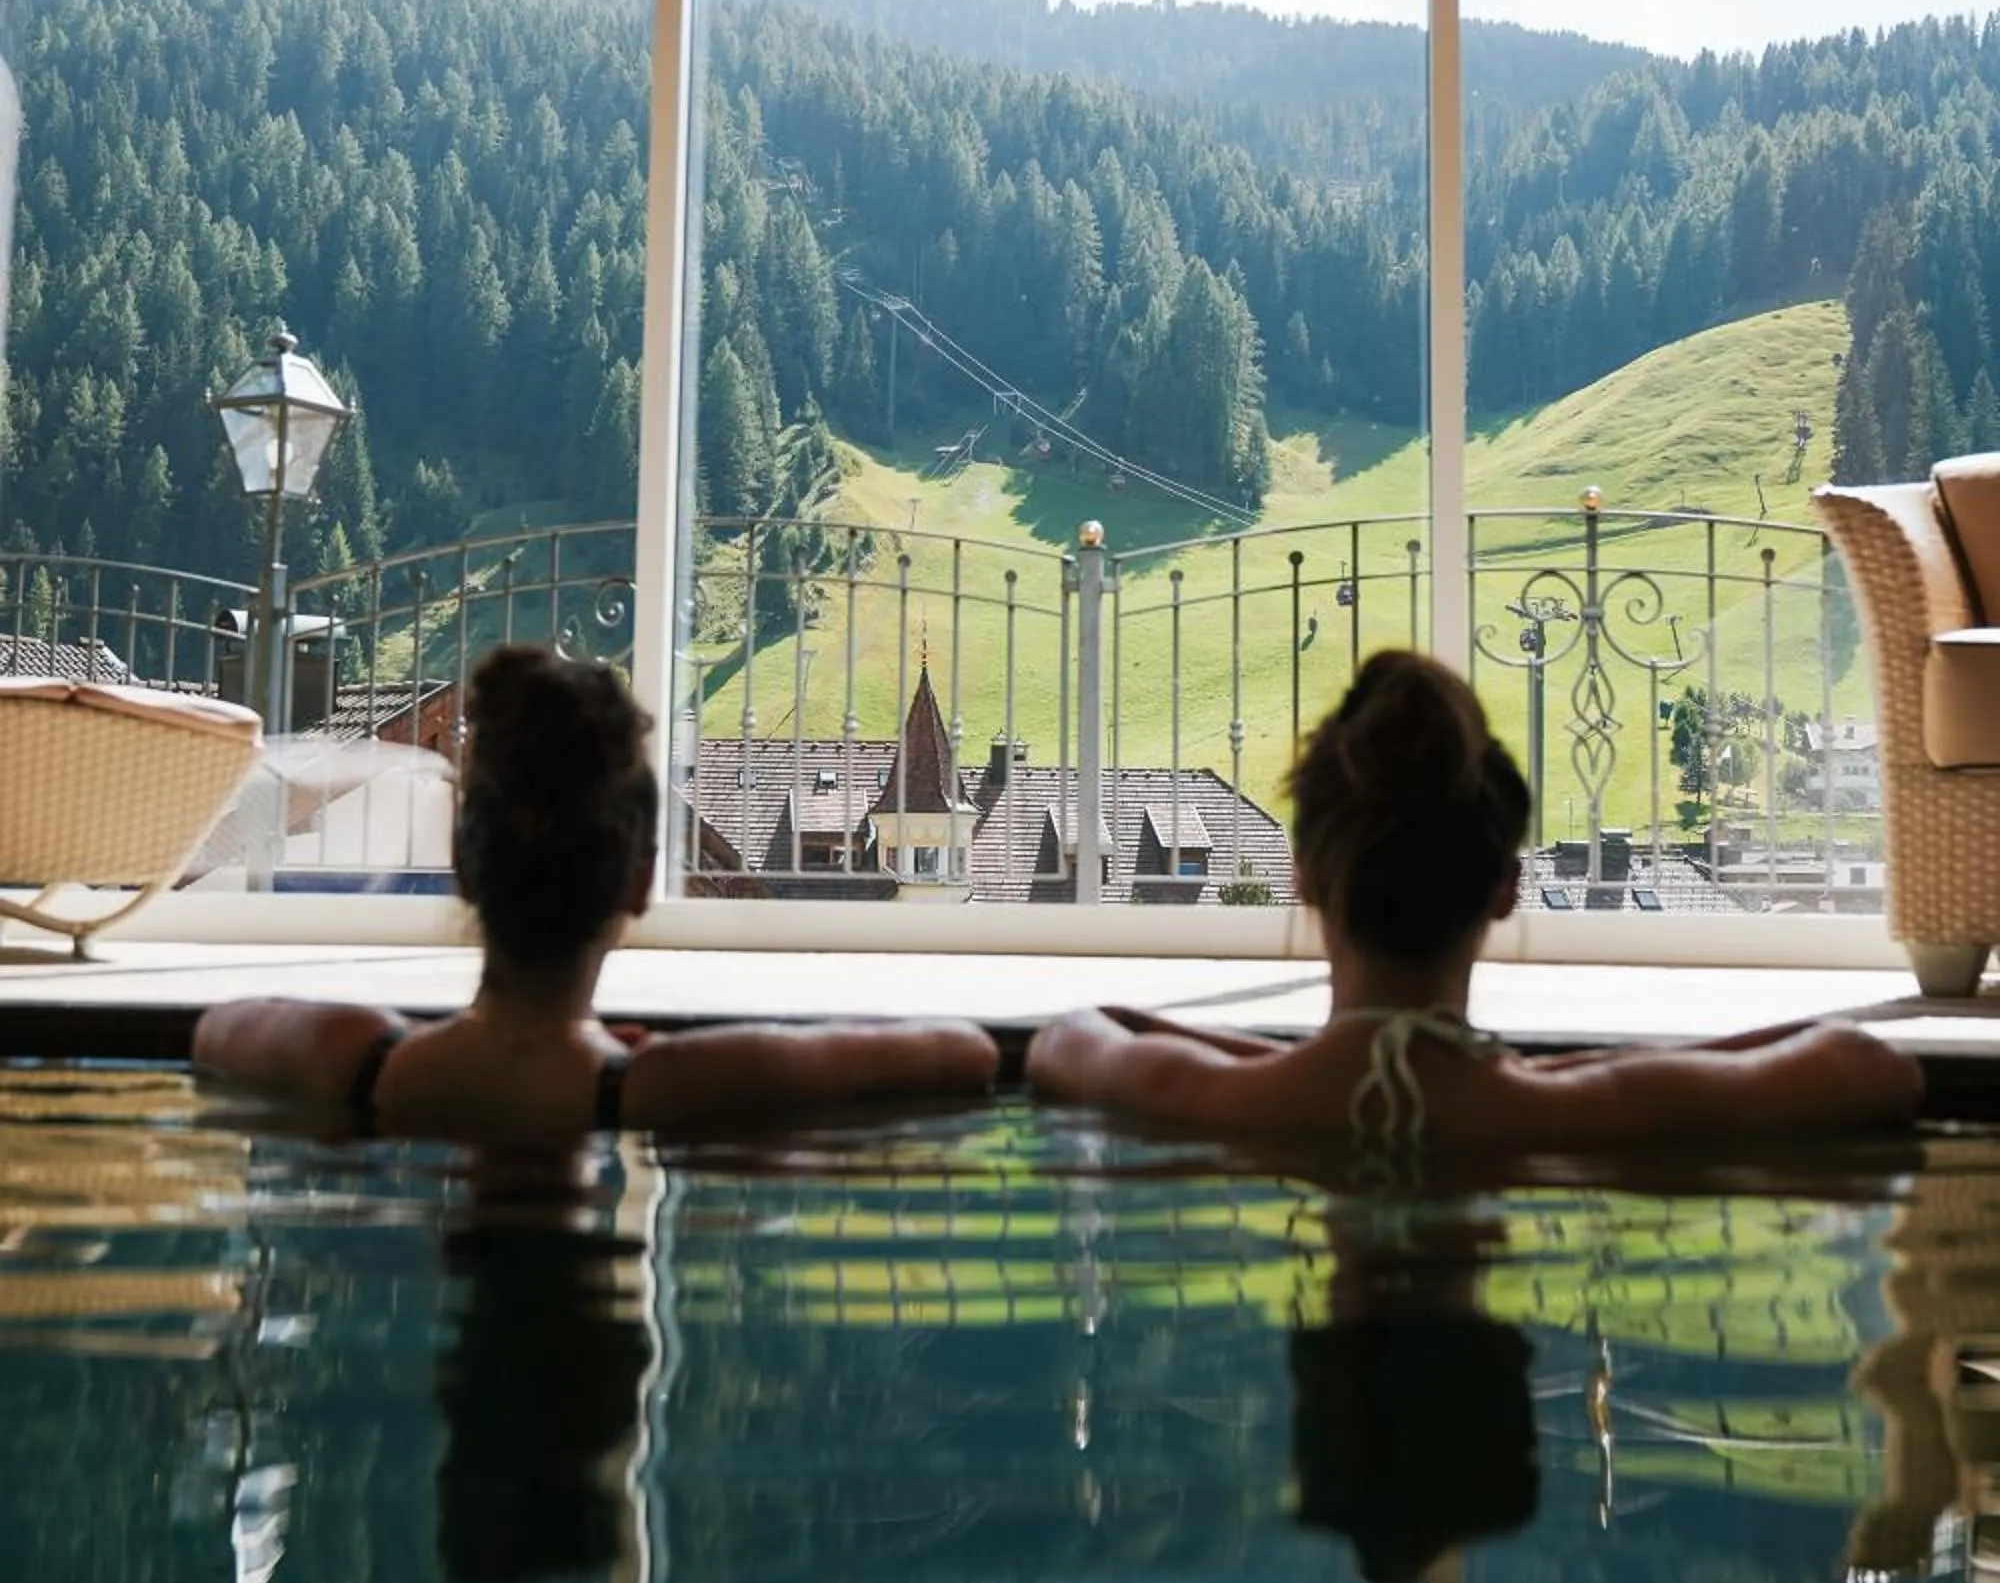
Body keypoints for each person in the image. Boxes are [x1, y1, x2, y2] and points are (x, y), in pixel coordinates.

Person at [1025, 648, 1923, 1150]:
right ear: (1505, 889)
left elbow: (1073, 1035)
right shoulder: (1588, 1110)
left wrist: (1290, 1057)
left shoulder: (1210, 1096)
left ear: (1303, 876)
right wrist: (1569, 1071)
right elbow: (1869, 1066)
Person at [194, 644, 999, 1135]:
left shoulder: (354, 1056)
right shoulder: (671, 1083)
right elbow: (966, 1054)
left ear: (465, 871)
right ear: (639, 886)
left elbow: (219, 1027)